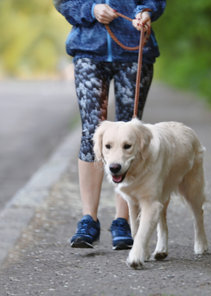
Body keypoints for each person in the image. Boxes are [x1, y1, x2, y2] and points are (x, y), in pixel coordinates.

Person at [54, 0, 166, 250]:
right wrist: (90, 10)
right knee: (92, 133)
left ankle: (122, 221)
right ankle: (88, 219)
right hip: (88, 51)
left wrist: (145, 11)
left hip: (135, 49)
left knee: (131, 135)